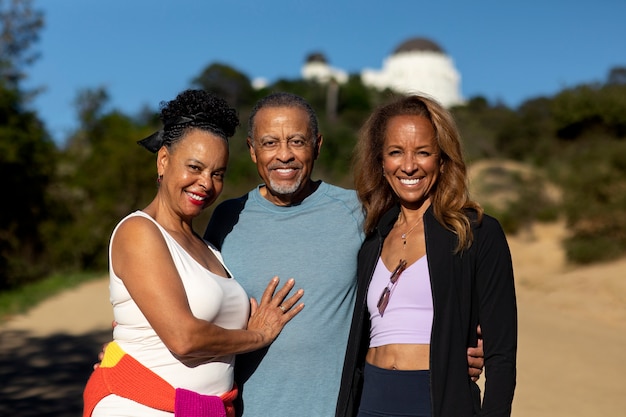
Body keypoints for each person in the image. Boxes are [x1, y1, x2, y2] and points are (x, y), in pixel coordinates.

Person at [203, 92, 486, 417]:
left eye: (297, 141)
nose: (284, 155)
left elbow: (421, 269)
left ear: (318, 145)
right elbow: (206, 310)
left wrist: (462, 342)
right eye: (270, 143)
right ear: (252, 150)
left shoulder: (360, 211)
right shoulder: (227, 219)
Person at [82, 89, 304, 417]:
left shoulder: (210, 247)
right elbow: (184, 339)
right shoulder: (139, 231)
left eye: (217, 174)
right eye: (195, 167)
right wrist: (257, 335)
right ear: (163, 160)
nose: (205, 183)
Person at [336, 94, 517, 417]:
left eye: (423, 152)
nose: (408, 165)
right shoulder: (371, 237)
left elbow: (501, 354)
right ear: (380, 162)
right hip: (371, 402)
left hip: (437, 404)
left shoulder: (476, 233)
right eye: (395, 152)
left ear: (442, 159)